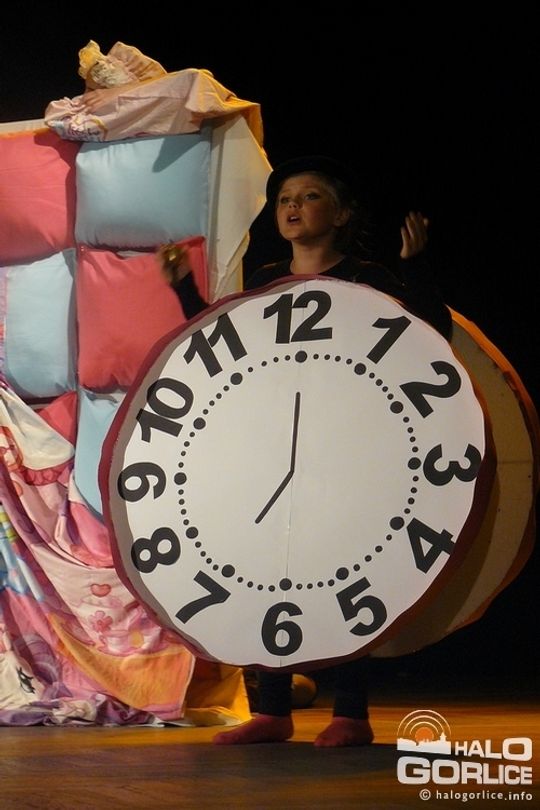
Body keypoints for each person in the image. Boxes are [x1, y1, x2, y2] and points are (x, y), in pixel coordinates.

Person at [159, 155, 452, 746]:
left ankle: (351, 713)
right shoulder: (268, 281)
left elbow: (430, 335)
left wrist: (415, 268)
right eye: (285, 197)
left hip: (347, 450)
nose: (293, 205)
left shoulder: (367, 279)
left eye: (310, 196)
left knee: (344, 568)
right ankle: (271, 710)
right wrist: (185, 289)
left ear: (341, 215)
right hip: (277, 449)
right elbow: (221, 341)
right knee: (268, 571)